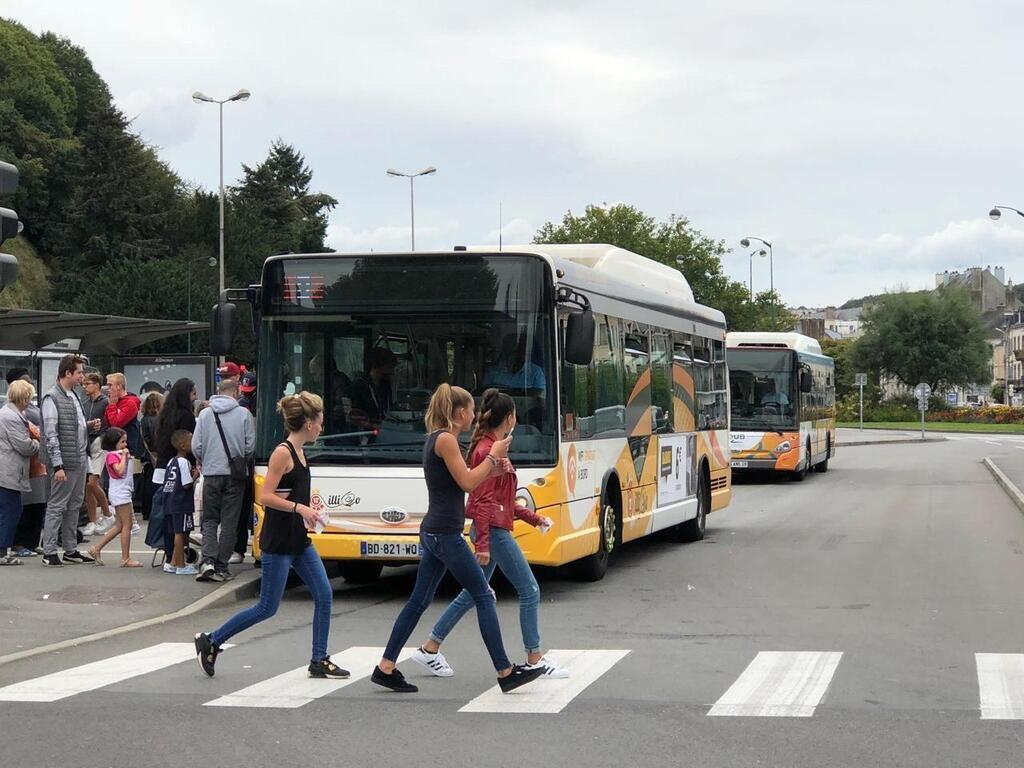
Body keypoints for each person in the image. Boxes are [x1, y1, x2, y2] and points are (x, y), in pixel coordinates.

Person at [370, 383, 544, 695]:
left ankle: (386, 666)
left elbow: (467, 480)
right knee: (484, 595)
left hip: (437, 530)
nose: (476, 415)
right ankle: (505, 671)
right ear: (460, 412)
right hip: (444, 533)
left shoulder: (437, 439)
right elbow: (466, 483)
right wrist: (492, 457)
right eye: (472, 410)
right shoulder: (447, 440)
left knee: (420, 600)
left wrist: (494, 469)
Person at [413, 389, 567, 679]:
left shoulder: (492, 447)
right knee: (529, 589)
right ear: (509, 418)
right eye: (515, 415)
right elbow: (481, 501)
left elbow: (502, 501)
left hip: (493, 528)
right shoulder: (487, 450)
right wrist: (483, 542)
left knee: (475, 593)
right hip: (492, 533)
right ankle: (535, 656)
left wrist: (534, 519)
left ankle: (430, 647)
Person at [194, 392, 347, 680]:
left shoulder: (301, 453)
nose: (322, 427)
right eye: (320, 422)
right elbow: (264, 496)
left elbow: (291, 493)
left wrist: (311, 509)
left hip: (298, 539)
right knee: (267, 607)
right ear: (309, 424)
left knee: (324, 594)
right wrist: (299, 508)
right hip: (279, 541)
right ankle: (212, 640)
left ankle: (319, 659)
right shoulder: (283, 453)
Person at [192, 377, 255, 583]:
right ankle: (221, 565)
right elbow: (250, 446)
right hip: (235, 475)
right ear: (236, 392)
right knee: (230, 521)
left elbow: (196, 446)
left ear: (219, 391)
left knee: (209, 519)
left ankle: (207, 560)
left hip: (211, 473)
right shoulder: (244, 414)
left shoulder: (205, 414)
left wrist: (205, 460)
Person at [40, 354, 94, 566]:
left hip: (78, 459)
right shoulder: (52, 398)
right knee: (57, 505)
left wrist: (88, 426)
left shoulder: (73, 395)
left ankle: (70, 549)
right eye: (79, 372)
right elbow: (51, 435)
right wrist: (58, 465)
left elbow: (72, 427)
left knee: (73, 505)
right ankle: (49, 551)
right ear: (67, 373)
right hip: (65, 462)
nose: (82, 376)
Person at [148, 378, 197, 573]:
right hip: (180, 471)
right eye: (193, 393)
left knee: (166, 517)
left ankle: (169, 555)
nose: (196, 397)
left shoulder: (164, 414)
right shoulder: (186, 417)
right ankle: (178, 559)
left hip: (162, 469)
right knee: (179, 523)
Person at [86, 427, 141, 568]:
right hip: (120, 493)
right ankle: (125, 558)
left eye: (125, 442)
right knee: (126, 526)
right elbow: (120, 470)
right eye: (122, 442)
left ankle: (96, 548)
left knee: (119, 526)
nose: (125, 445)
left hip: (123, 492)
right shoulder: (112, 455)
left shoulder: (117, 454)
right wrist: (124, 456)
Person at [0, 380, 41, 565]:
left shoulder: (11, 413)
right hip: (8, 470)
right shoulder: (10, 417)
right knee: (11, 511)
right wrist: (38, 443)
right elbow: (23, 445)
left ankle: (3, 550)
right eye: (29, 397)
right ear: (23, 397)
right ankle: (2, 552)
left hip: (9, 469)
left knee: (10, 510)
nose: (30, 400)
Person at [7, 369, 46, 558]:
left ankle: (31, 541)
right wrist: (38, 442)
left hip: (35, 465)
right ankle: (18, 543)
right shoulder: (14, 414)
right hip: (23, 465)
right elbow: (26, 442)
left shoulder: (28, 409)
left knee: (37, 504)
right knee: (22, 507)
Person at [105, 373, 145, 534]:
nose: (107, 389)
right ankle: (127, 520)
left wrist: (112, 405)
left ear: (119, 386)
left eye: (110, 385)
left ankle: (129, 520)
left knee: (122, 484)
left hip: (127, 451)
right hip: (115, 450)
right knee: (114, 482)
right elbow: (108, 422)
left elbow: (116, 423)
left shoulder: (129, 404)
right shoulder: (117, 403)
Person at [81, 372, 113, 536]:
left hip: (99, 444)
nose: (84, 386)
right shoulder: (84, 403)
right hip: (87, 445)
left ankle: (107, 514)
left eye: (88, 383)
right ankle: (93, 521)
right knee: (89, 485)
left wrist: (103, 437)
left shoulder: (105, 402)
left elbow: (109, 423)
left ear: (97, 385)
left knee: (92, 483)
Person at [161, 430, 198, 576]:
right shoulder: (184, 462)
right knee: (181, 532)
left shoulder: (171, 461)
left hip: (169, 500)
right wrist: (195, 475)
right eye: (191, 441)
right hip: (181, 502)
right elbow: (186, 484)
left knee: (176, 532)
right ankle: (181, 565)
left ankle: (173, 562)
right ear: (183, 445)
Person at [348, 348, 396, 430]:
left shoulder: (386, 385)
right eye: (389, 367)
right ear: (377, 366)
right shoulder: (359, 386)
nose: (392, 371)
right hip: (364, 434)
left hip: (384, 430)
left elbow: (388, 408)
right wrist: (372, 426)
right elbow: (354, 416)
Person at [139, 391, 164, 520]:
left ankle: (146, 511)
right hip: (158, 454)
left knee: (148, 482)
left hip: (148, 456)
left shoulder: (144, 420)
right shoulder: (160, 420)